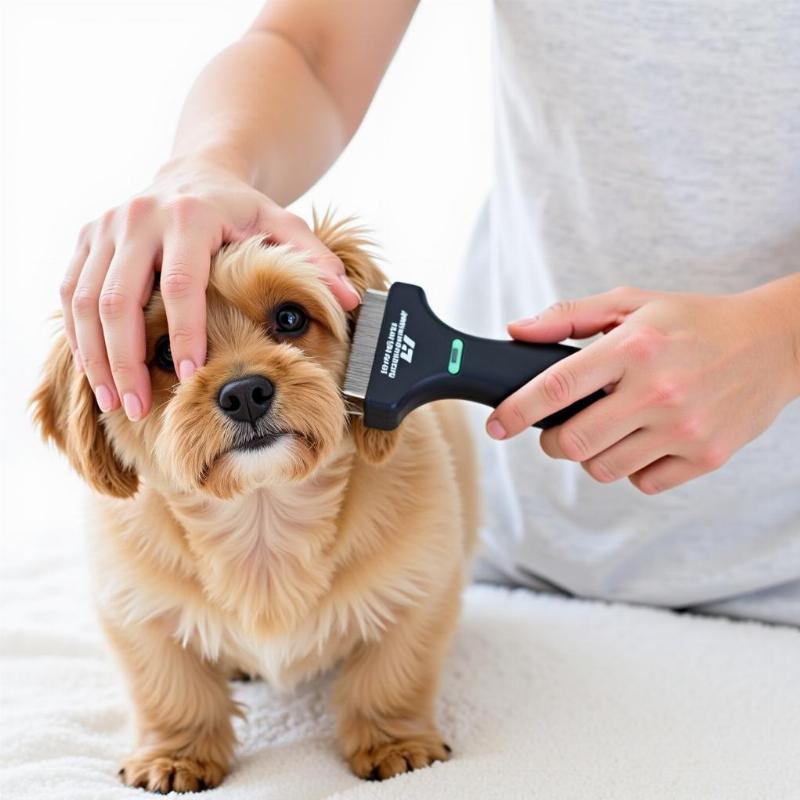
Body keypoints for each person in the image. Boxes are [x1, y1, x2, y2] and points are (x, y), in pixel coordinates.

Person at [59, 1, 800, 625]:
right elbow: (309, 45)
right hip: (518, 552)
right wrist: (208, 164)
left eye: (287, 321)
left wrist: (782, 337)